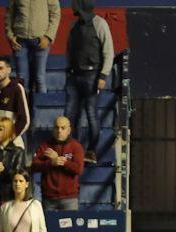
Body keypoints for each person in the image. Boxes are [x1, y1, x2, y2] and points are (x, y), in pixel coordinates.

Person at [65, 0, 113, 165]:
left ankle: (91, 151)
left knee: (91, 115)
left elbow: (108, 51)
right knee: (70, 115)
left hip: (92, 75)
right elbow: (69, 48)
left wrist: (103, 76)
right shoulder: (74, 25)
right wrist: (68, 69)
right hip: (74, 75)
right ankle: (73, 151)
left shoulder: (100, 24)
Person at [5, 0, 60, 94]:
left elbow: (55, 14)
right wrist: (10, 36)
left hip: (41, 40)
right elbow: (9, 14)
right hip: (20, 41)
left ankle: (40, 108)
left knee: (40, 78)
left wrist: (48, 37)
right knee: (21, 79)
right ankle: (23, 108)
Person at [31, 116, 84, 210]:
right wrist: (51, 163)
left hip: (69, 198)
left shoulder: (76, 147)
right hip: (48, 198)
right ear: (53, 129)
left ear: (69, 130)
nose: (59, 131)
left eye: (63, 128)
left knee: (70, 225)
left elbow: (78, 169)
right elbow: (34, 166)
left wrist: (62, 161)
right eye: (56, 127)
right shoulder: (44, 146)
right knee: (49, 225)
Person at [0, 56, 30, 147]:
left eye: (1, 68)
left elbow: (25, 120)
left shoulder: (17, 88)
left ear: (9, 70)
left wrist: (10, 138)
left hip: (12, 145)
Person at [0, 117, 25, 204]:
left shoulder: (18, 152)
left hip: (11, 196)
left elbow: (19, 176)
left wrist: (4, 170)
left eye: (0, 130)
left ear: (8, 131)